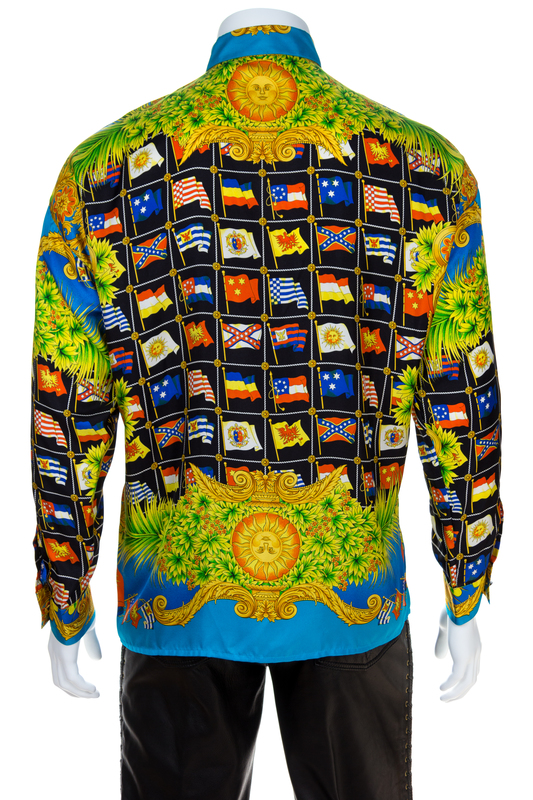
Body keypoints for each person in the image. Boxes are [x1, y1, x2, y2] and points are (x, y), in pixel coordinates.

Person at [32, 8, 502, 799]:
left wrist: (65, 587)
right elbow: (461, 387)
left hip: (176, 590)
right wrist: (465, 576)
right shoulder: (424, 167)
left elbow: (67, 401)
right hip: (350, 586)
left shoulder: (102, 170)